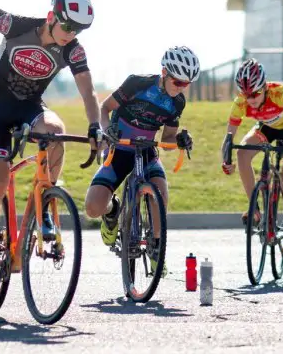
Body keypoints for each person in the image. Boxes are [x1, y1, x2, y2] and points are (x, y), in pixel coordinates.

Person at [0, 0, 102, 295]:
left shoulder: (73, 49)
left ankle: (44, 205)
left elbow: (88, 90)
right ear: (51, 17)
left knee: (56, 133)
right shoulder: (16, 26)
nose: (71, 33)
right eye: (68, 25)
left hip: (29, 107)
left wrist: (95, 124)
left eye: (79, 29)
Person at [85, 46, 199, 277]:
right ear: (164, 72)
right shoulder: (137, 83)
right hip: (120, 150)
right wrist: (109, 129)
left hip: (146, 152)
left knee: (160, 191)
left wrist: (179, 139)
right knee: (92, 208)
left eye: (186, 84)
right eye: (178, 82)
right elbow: (105, 108)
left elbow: (166, 137)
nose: (181, 88)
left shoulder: (177, 103)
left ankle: (157, 248)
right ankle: (112, 211)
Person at [220, 58, 283, 258]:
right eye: (246, 94)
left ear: (264, 87)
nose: (250, 99)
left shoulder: (280, 93)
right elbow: (228, 138)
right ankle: (256, 209)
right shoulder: (241, 102)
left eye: (255, 93)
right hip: (267, 129)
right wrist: (226, 159)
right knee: (242, 153)